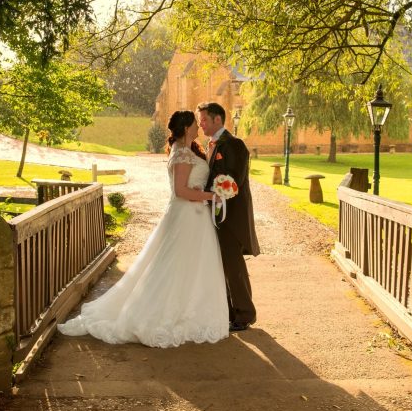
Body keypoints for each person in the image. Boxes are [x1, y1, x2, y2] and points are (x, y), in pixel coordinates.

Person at [57, 110, 229, 348]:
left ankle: (191, 308)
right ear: (186, 127)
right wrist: (213, 195)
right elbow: (181, 191)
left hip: (195, 217)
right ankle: (159, 313)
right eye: (194, 124)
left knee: (191, 264)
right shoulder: (181, 155)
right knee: (174, 265)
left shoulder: (188, 151)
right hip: (186, 216)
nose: (198, 127)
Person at [197, 102, 260, 332]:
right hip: (216, 215)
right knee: (223, 266)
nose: (201, 124)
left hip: (231, 217)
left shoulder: (235, 145)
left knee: (234, 266)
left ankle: (245, 315)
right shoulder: (211, 145)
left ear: (217, 120)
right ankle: (231, 313)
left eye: (204, 120)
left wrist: (213, 196)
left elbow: (235, 181)